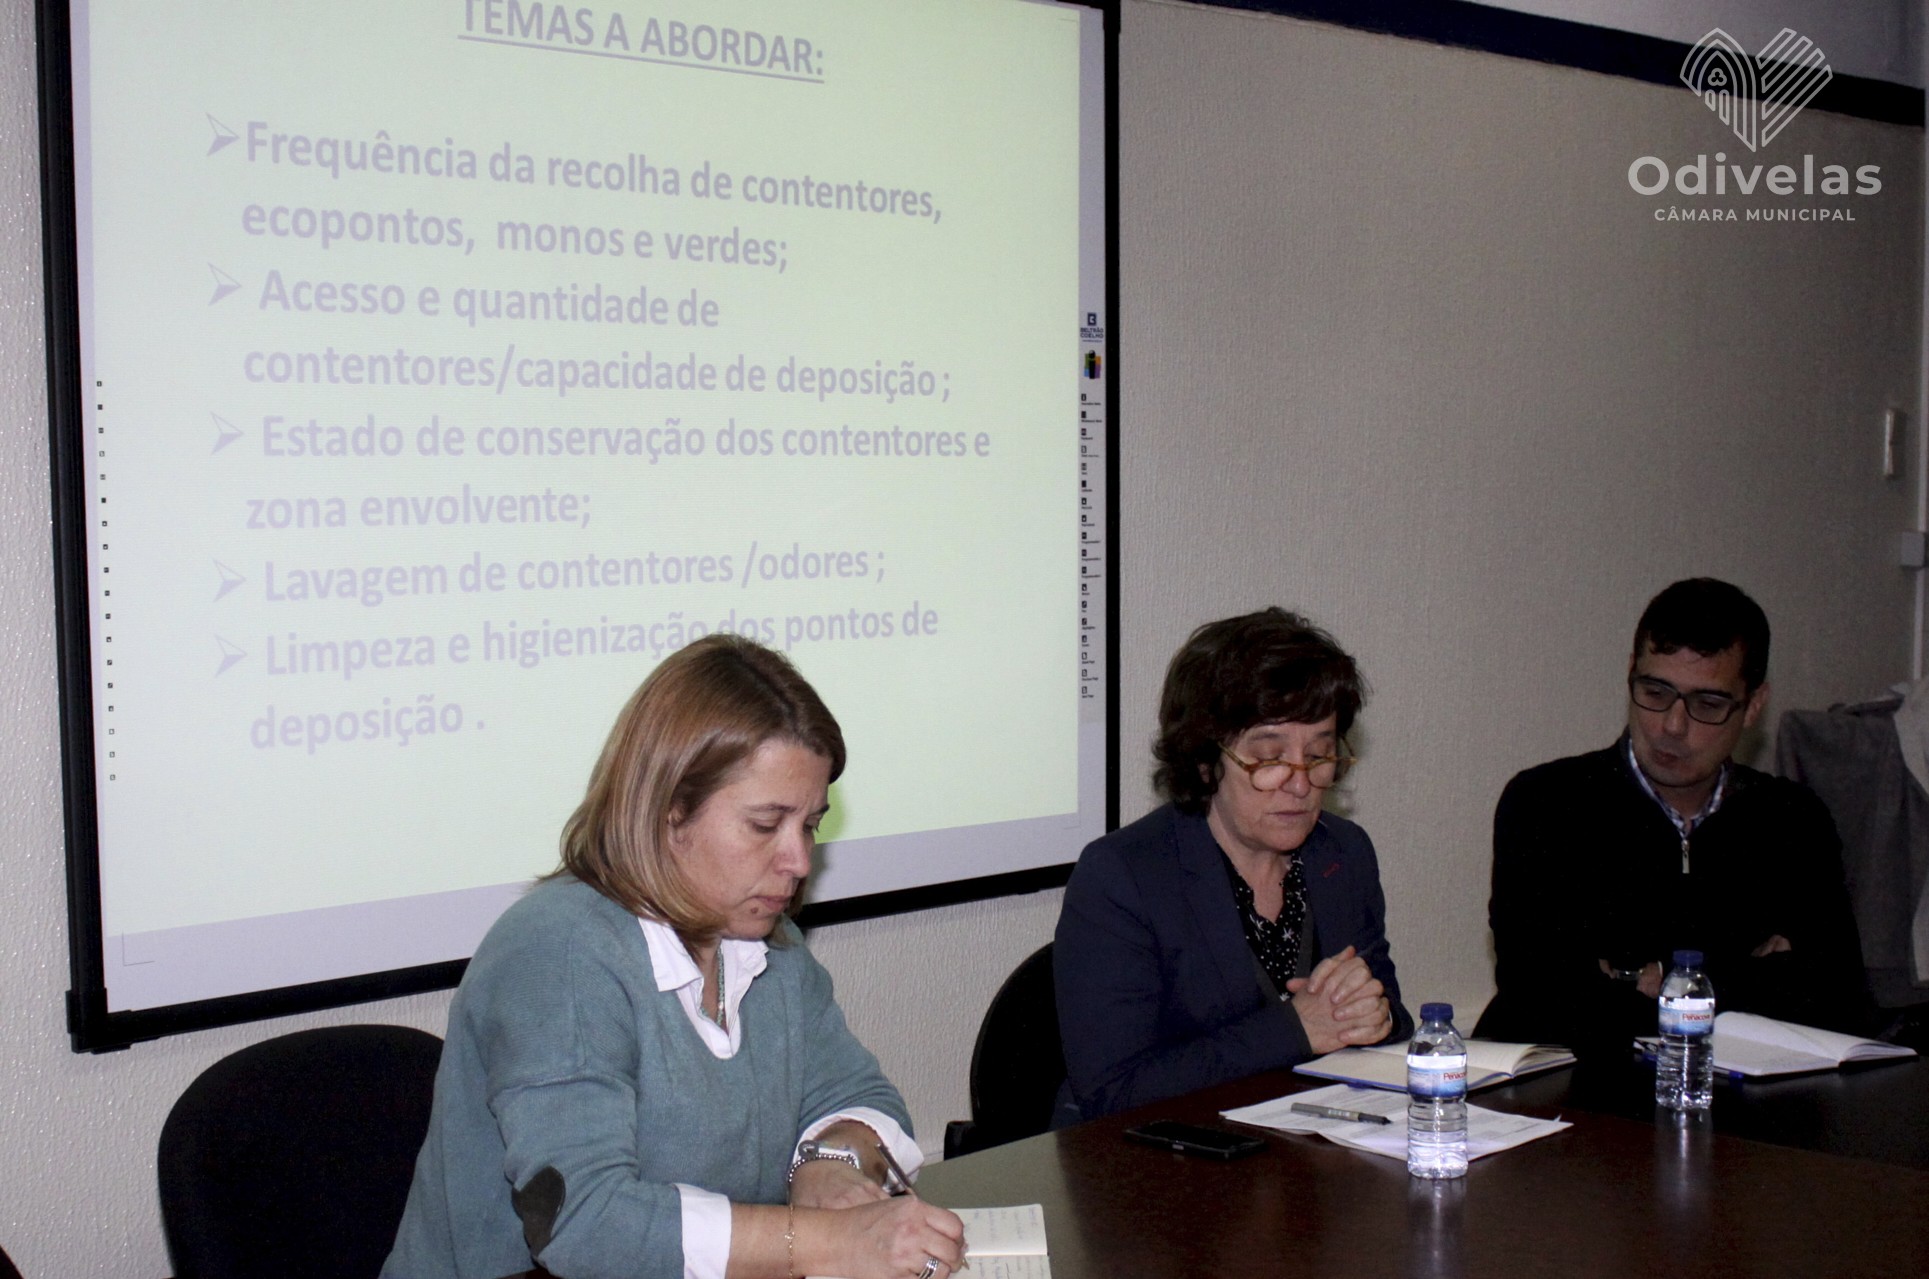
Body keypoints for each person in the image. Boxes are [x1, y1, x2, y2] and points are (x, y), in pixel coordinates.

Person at [384, 635, 965, 1279]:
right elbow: (587, 1222)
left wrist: (829, 1164)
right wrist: (827, 1240)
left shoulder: (767, 942)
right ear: (668, 811)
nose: (799, 860)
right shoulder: (557, 955)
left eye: (809, 825)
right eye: (765, 824)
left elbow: (859, 1093)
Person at [1476, 578, 1868, 1056]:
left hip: (1748, 1095)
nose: (1672, 725)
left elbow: (1837, 1001)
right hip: (1583, 1090)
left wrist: (1653, 979)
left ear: (1753, 706)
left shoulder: (1792, 820)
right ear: (1630, 673)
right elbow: (1542, 999)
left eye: (1707, 704)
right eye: (1656, 691)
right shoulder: (1547, 804)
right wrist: (1754, 976)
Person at [1053, 608, 1411, 1124]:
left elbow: (1389, 1012)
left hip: (1307, 1144)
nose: (1300, 783)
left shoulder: (1342, 853)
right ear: (1205, 761)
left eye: (1319, 755)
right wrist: (1296, 1030)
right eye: (1269, 758)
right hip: (1159, 1156)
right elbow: (1113, 1091)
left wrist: (1376, 1016)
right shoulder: (1123, 876)